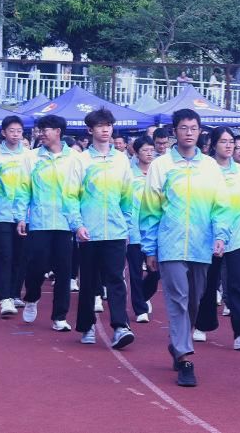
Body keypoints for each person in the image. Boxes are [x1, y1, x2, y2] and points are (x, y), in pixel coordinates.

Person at [140, 109, 229, 388]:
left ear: (200, 131)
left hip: (202, 245)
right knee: (178, 298)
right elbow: (150, 209)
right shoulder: (162, 165)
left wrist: (221, 235)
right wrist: (150, 248)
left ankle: (179, 342)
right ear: (174, 131)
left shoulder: (210, 167)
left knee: (194, 300)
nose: (189, 133)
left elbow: (221, 205)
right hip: (171, 244)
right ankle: (185, 357)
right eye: (183, 128)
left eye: (193, 128)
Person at [69, 108, 136, 350]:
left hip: (116, 231)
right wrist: (77, 224)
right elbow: (70, 195)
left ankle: (120, 327)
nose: (105, 129)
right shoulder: (81, 160)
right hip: (89, 231)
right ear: (90, 130)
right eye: (100, 125)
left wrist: (126, 224)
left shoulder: (121, 159)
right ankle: (87, 326)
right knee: (88, 281)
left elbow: (128, 195)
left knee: (116, 279)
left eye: (108, 125)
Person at [193, 127, 240, 351]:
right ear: (213, 144)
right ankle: (201, 325)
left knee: (239, 284)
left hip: (238, 235)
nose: (229, 145)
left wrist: (238, 223)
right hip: (210, 235)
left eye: (231, 141)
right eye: (223, 141)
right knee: (208, 282)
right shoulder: (205, 169)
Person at [20, 114, 82, 332]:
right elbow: (23, 189)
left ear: (58, 131)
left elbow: (80, 190)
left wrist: (79, 221)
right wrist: (21, 216)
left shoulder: (75, 158)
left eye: (46, 129)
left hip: (66, 222)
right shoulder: (31, 157)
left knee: (64, 271)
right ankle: (32, 297)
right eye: (40, 130)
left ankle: (59, 316)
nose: (42, 133)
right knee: (36, 266)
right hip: (40, 221)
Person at [0, 116, 35, 315]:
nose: (16, 134)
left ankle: (14, 292)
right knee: (4, 254)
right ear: (3, 133)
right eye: (12, 131)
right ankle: (5, 298)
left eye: (19, 131)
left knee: (20, 255)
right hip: (0, 212)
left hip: (24, 215)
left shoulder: (29, 156)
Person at [128, 136, 159, 325]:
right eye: (145, 150)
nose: (149, 153)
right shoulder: (129, 174)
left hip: (155, 232)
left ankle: (144, 295)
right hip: (134, 231)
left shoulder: (159, 173)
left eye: (151, 150)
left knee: (156, 272)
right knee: (135, 272)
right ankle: (140, 309)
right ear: (136, 153)